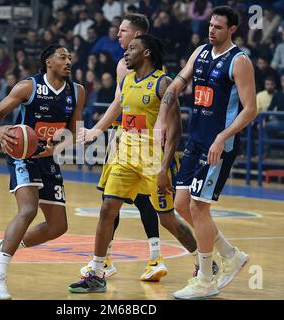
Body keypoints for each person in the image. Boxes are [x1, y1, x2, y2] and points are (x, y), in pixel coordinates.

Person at [69, 34, 210, 293]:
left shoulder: (163, 83)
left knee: (167, 219)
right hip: (126, 157)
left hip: (153, 161)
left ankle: (203, 264)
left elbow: (176, 130)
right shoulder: (126, 81)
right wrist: (97, 131)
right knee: (107, 210)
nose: (126, 52)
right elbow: (119, 111)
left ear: (146, 53)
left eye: (133, 48)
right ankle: (98, 272)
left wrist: (164, 168)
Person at [158, 6, 256, 299]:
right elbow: (178, 82)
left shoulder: (239, 61)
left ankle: (206, 278)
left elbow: (250, 110)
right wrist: (162, 115)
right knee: (182, 204)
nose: (211, 30)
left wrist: (223, 137)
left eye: (218, 27)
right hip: (197, 140)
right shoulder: (200, 52)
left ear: (232, 30)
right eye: (210, 25)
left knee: (199, 207)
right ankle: (231, 255)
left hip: (218, 146)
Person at [0, 44, 85, 299]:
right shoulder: (28, 87)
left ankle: (1, 247)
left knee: (58, 226)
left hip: (48, 158)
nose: (68, 61)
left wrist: (56, 149)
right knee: (27, 210)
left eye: (70, 57)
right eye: (62, 57)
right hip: (23, 156)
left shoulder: (77, 91)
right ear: (48, 62)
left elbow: (75, 131)